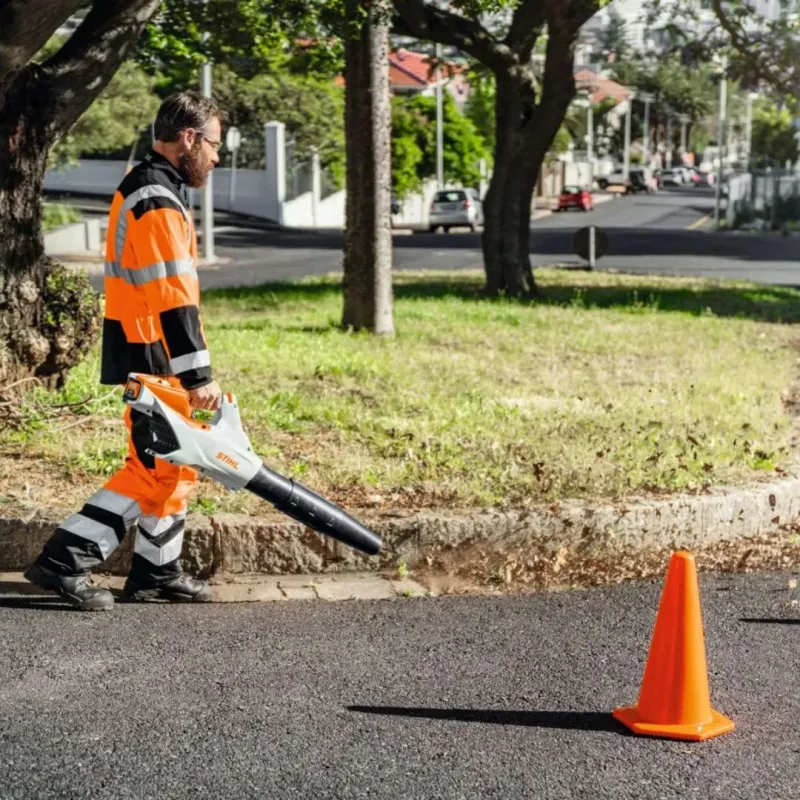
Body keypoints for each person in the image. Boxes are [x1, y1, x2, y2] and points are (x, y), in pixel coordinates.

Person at [25, 92, 224, 610]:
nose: (217, 157)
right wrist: (198, 374)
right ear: (189, 138)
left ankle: (157, 573)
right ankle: (64, 560)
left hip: (149, 347)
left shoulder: (156, 189)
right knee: (154, 468)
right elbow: (171, 293)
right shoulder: (154, 196)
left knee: (172, 464)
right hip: (152, 350)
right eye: (215, 145)